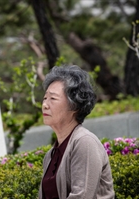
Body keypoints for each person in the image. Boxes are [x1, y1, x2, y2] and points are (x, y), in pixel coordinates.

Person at [38, 65, 115, 199]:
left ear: (74, 105)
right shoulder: (50, 155)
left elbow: (82, 196)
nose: (45, 104)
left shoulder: (85, 142)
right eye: (45, 98)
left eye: (53, 98)